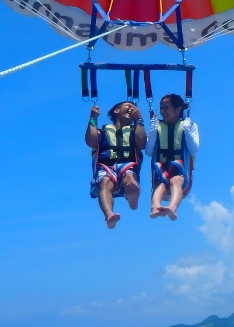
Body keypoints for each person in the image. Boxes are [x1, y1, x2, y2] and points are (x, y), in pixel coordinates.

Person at [85, 101, 146, 229]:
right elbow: (91, 142)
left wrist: (139, 119)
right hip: (106, 166)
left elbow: (141, 144)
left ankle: (132, 199)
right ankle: (109, 215)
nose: (132, 109)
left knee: (129, 177)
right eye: (128, 106)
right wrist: (92, 119)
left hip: (127, 164)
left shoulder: (135, 131)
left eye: (134, 108)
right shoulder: (102, 132)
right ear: (116, 110)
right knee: (105, 181)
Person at [147, 94, 199, 220]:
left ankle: (172, 207)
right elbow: (149, 152)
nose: (163, 111)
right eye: (161, 108)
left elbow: (194, 150)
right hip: (162, 168)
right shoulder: (157, 126)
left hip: (181, 168)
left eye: (166, 108)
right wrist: (153, 131)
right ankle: (155, 207)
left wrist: (187, 130)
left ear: (178, 109)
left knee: (175, 181)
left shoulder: (190, 125)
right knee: (161, 184)